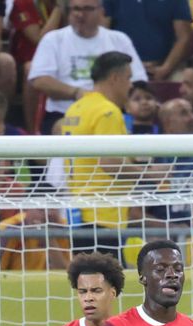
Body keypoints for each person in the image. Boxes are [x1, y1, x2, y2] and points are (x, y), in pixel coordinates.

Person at [27, 0, 146, 135]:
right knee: (69, 128)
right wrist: (76, 92)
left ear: (101, 11)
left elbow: (139, 80)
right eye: (75, 9)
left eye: (87, 9)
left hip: (113, 110)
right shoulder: (53, 39)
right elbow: (39, 80)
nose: (79, 14)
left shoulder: (119, 39)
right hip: (65, 113)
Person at [62, 50, 134, 257]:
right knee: (107, 286)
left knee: (85, 285)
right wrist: (151, 174)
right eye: (128, 78)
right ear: (115, 78)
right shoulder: (108, 112)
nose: (130, 85)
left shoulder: (75, 108)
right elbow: (110, 163)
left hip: (77, 212)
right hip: (104, 214)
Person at [103, 0, 192, 81]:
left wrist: (165, 68)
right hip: (120, 67)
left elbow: (184, 37)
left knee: (183, 83)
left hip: (164, 66)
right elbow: (102, 33)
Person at [9, 0, 61, 130]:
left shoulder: (75, 6)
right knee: (32, 69)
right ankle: (33, 132)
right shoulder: (23, 3)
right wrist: (60, 9)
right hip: (28, 61)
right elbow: (39, 40)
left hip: (61, 60)